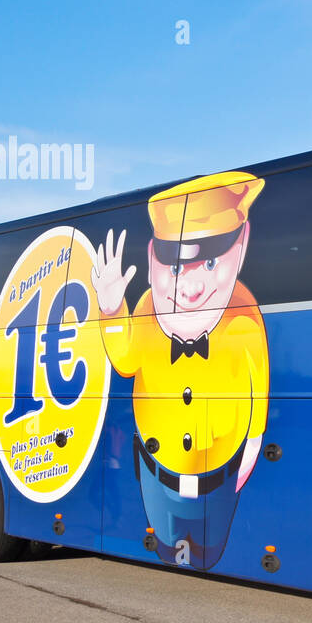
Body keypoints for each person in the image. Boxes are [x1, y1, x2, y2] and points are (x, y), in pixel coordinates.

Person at [91, 171, 270, 570]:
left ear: (239, 249)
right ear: (153, 256)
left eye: (209, 261)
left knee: (211, 550)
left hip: (220, 476)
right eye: (174, 267)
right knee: (166, 549)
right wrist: (109, 308)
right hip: (157, 474)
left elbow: (258, 392)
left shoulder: (245, 319)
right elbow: (124, 359)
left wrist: (253, 445)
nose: (189, 289)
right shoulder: (144, 310)